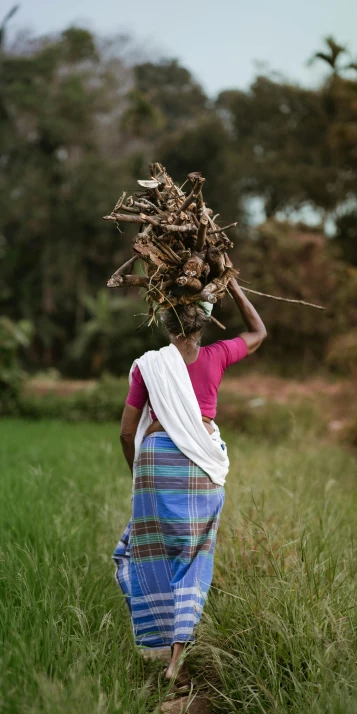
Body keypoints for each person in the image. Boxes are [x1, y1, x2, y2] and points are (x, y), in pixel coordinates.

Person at [113, 278, 267, 689]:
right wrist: (233, 286)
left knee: (144, 550)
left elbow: (128, 434)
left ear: (163, 321)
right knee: (194, 554)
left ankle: (156, 644)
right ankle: (176, 661)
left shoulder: (150, 365)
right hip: (200, 460)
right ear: (204, 322)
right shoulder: (216, 355)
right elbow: (258, 333)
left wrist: (140, 476)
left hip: (154, 461)